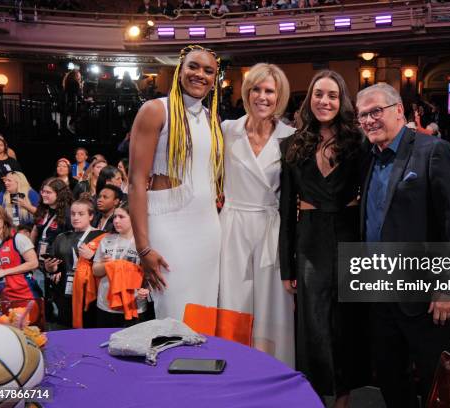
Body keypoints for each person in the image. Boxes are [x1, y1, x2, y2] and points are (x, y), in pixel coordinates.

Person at [356, 83, 450, 407]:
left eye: (376, 111)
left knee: (438, 384)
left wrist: (448, 287)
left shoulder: (433, 150)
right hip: (379, 293)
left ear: (398, 111)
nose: (368, 120)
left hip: (425, 297)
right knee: (392, 380)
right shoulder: (369, 158)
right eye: (362, 115)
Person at [279, 70, 367, 405]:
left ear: (341, 100)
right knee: (312, 325)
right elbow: (286, 210)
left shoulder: (358, 143)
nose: (324, 101)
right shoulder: (291, 145)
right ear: (309, 100)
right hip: (310, 240)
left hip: (350, 238)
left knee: (346, 325)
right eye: (318, 94)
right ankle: (314, 398)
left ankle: (343, 400)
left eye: (332, 95)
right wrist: (287, 267)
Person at [128, 45, 223, 320]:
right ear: (180, 70)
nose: (200, 74)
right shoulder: (156, 110)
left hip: (207, 230)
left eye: (208, 71)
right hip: (168, 228)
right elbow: (136, 182)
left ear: (215, 79)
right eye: (193, 66)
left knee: (204, 316)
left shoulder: (212, 118)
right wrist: (143, 247)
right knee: (173, 316)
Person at [218, 63, 295, 366]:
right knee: (233, 304)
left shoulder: (292, 136)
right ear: (246, 93)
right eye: (256, 89)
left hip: (272, 230)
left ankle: (273, 372)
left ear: (279, 96)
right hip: (232, 227)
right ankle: (232, 371)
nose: (262, 97)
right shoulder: (227, 130)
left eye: (269, 91)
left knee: (273, 308)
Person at [43, 199, 106, 328]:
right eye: (73, 214)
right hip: (65, 295)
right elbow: (55, 268)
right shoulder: (61, 237)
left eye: (81, 214)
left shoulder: (102, 237)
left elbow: (108, 267)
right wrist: (50, 268)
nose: (76, 217)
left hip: (90, 295)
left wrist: (92, 256)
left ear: (91, 216)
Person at [93, 203, 148, 328]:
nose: (116, 221)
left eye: (121, 217)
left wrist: (146, 290)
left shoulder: (143, 243)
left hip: (134, 304)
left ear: (134, 218)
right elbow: (95, 271)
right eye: (114, 217)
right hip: (106, 305)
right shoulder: (106, 240)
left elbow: (148, 274)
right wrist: (107, 265)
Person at [0, 205, 40, 309]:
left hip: (23, 294)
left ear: (4, 220)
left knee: (27, 325)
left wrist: (4, 272)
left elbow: (34, 263)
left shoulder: (18, 238)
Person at [30, 178, 73, 324]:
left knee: (57, 304)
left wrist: (61, 268)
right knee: (43, 301)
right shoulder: (44, 210)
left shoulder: (68, 213)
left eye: (48, 192)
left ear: (59, 194)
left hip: (57, 266)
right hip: (40, 263)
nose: (44, 194)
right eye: (43, 191)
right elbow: (36, 231)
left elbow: (70, 244)